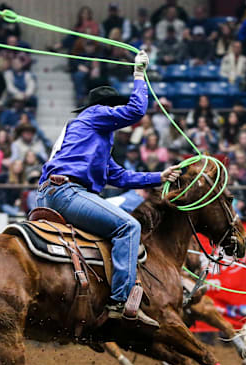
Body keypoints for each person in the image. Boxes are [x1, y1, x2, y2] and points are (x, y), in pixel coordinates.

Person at [37, 51, 179, 326]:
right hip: (67, 192)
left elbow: (120, 176)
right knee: (128, 227)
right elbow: (136, 111)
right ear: (106, 107)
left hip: (49, 194)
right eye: (114, 108)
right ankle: (120, 301)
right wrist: (139, 75)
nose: (115, 114)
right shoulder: (96, 115)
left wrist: (159, 177)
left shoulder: (88, 135)